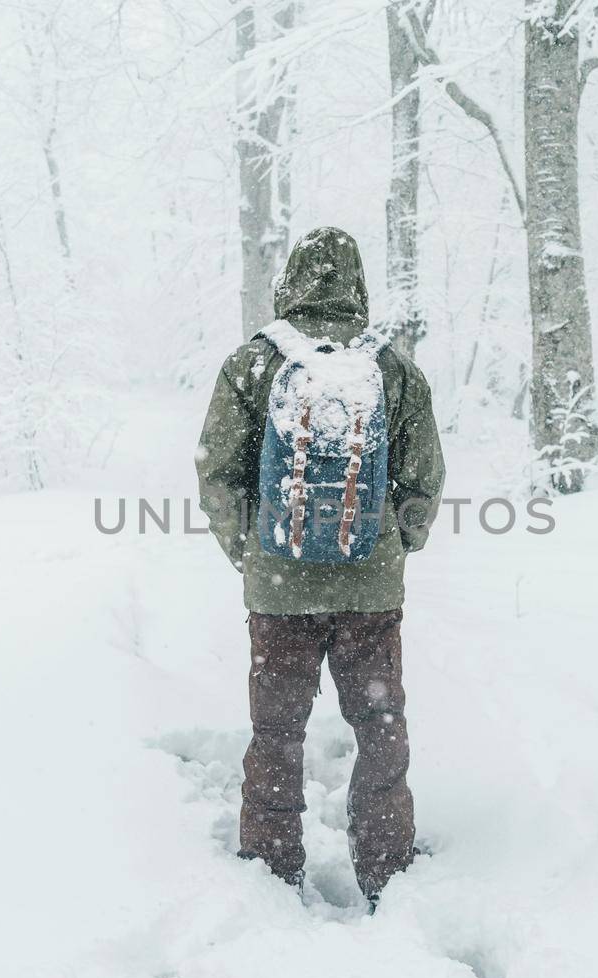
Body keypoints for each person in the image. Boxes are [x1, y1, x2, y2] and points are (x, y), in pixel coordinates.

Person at [195, 226, 445, 904]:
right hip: (371, 593)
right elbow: (425, 478)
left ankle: (272, 864)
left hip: (279, 593)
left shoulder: (253, 363)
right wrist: (392, 543)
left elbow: (217, 475)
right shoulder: (391, 367)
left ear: (291, 281)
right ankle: (386, 863)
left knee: (276, 730)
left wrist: (255, 553)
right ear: (357, 284)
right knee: (380, 724)